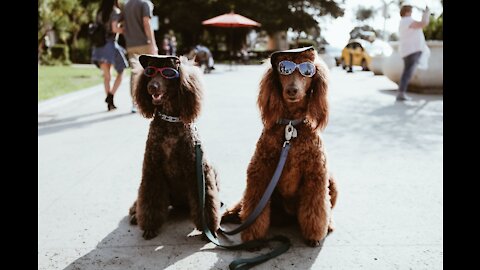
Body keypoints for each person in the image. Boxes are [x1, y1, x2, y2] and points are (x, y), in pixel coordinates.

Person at [119, 0, 157, 113]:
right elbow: (147, 23)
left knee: (135, 73)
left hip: (130, 45)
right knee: (151, 71)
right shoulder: (145, 3)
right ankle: (151, 100)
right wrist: (153, 43)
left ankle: (135, 103)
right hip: (145, 43)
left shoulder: (126, 5)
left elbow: (121, 24)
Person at [91, 0, 128, 111]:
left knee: (107, 76)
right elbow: (114, 28)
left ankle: (110, 103)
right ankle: (110, 96)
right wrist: (125, 30)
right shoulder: (115, 11)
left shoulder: (99, 12)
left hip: (98, 46)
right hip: (110, 45)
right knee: (121, 72)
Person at [397, 2, 430, 101]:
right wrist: (426, 13)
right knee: (407, 72)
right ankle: (401, 94)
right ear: (406, 12)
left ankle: (401, 93)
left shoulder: (403, 21)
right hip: (411, 51)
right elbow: (423, 24)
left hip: (408, 50)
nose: (411, 13)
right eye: (410, 11)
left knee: (407, 72)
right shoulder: (407, 21)